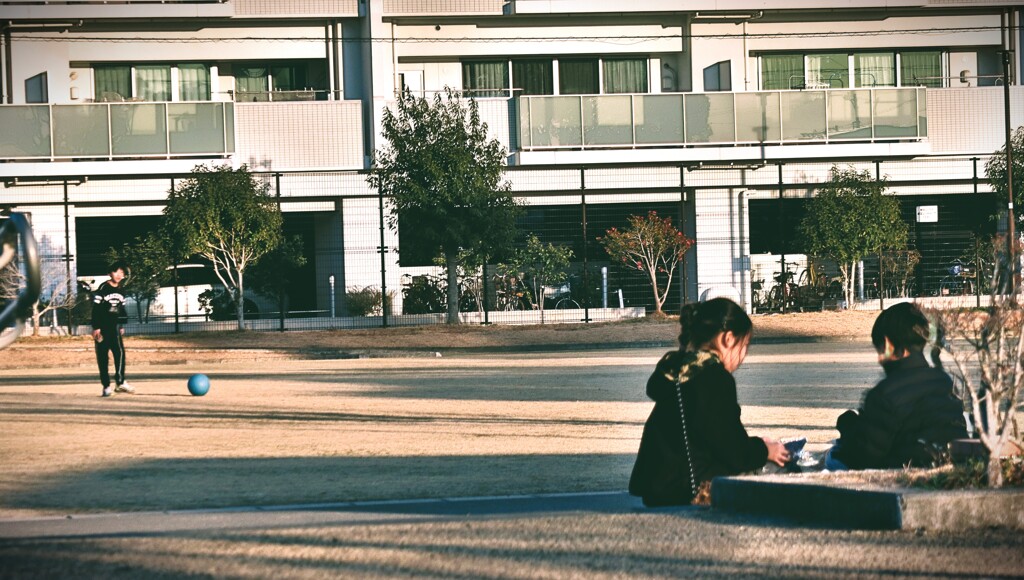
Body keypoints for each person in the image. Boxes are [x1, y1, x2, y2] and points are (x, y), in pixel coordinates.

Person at [629, 298, 790, 507]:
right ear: (728, 339)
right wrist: (766, 449)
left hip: (658, 489)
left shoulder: (676, 369)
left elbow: (711, 438)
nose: (743, 356)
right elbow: (734, 451)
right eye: (744, 345)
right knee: (781, 471)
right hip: (693, 490)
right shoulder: (714, 378)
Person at [826, 302, 966, 470]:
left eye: (880, 349)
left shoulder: (884, 394)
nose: (879, 358)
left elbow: (865, 455)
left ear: (888, 344)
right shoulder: (944, 380)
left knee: (833, 458)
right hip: (948, 465)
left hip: (904, 470)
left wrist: (849, 428)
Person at [91, 261, 134, 397]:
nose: (119, 275)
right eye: (116, 272)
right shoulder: (103, 288)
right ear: (110, 273)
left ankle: (120, 382)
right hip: (102, 328)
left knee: (119, 353)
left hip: (114, 328)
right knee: (103, 357)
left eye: (122, 272)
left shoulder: (122, 290)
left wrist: (121, 325)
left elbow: (121, 309)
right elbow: (96, 309)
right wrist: (96, 327)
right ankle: (106, 386)